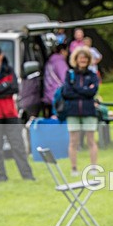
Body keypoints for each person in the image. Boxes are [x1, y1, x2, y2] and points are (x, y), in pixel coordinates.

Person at [0, 45, 35, 182]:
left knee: (18, 146)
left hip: (10, 114)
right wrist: (4, 87)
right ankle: (1, 177)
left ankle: (27, 175)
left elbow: (15, 88)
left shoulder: (9, 70)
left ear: (2, 55)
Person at [61, 47, 100, 176]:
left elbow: (92, 92)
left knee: (91, 140)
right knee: (74, 141)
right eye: (80, 58)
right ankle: (74, 168)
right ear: (76, 60)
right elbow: (66, 93)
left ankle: (94, 167)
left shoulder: (92, 75)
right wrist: (84, 90)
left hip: (88, 110)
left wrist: (77, 89)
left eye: (85, 58)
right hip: (72, 111)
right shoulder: (70, 74)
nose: (82, 60)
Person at [43, 44, 69, 116]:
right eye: (66, 51)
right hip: (57, 94)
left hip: (48, 93)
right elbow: (65, 78)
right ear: (62, 51)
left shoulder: (50, 61)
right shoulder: (60, 62)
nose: (67, 54)